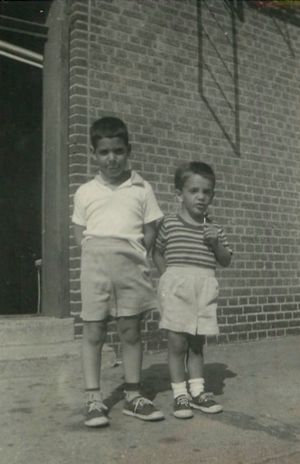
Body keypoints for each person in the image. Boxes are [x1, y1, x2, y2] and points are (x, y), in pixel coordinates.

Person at [72, 116, 165, 427]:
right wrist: (93, 253)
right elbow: (79, 230)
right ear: (93, 154)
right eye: (104, 152)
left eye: (118, 151)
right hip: (95, 266)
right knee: (94, 332)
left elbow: (150, 227)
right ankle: (93, 399)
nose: (111, 158)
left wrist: (138, 253)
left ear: (129, 150)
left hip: (130, 266)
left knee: (130, 331)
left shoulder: (141, 188)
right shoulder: (85, 191)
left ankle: (134, 395)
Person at [153, 161, 232, 419]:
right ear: (179, 194)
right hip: (178, 288)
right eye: (194, 191)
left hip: (203, 290)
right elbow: (157, 250)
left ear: (212, 196)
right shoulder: (170, 223)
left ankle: (198, 392)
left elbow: (226, 259)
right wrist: (167, 275)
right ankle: (180, 394)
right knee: (177, 342)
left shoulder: (214, 229)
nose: (201, 197)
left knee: (197, 343)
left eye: (206, 192)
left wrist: (215, 242)